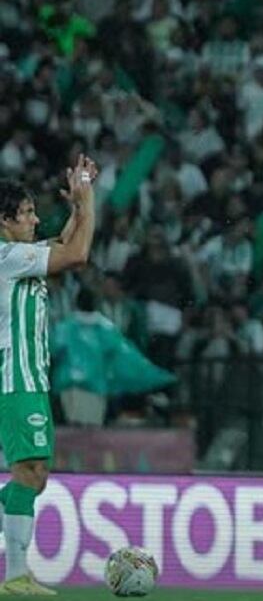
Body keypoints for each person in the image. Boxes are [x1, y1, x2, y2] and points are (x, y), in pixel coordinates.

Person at [0, 156, 98, 596]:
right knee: (31, 469)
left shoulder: (20, 254)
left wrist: (77, 207)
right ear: (4, 222)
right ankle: (16, 575)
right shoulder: (7, 256)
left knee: (34, 474)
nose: (36, 219)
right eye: (26, 214)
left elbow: (63, 239)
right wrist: (89, 200)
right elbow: (77, 253)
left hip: (28, 378)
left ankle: (17, 570)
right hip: (14, 376)